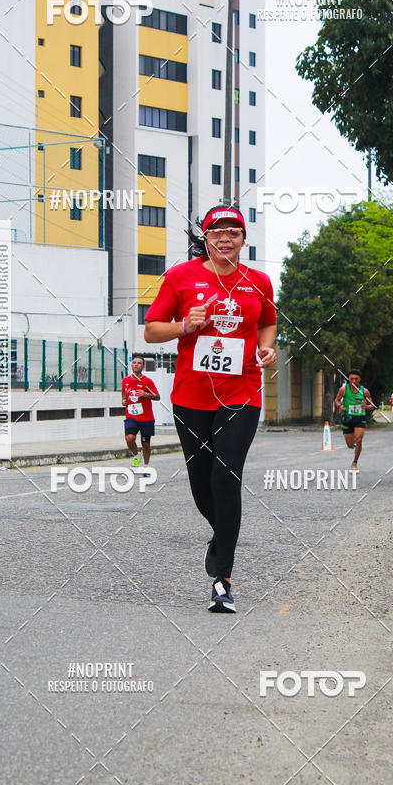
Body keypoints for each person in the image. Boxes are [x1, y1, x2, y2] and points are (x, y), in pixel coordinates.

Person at [144, 204, 276, 614]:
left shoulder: (259, 282)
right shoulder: (181, 277)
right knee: (201, 483)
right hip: (191, 395)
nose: (225, 238)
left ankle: (223, 579)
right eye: (216, 232)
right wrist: (185, 325)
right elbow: (151, 330)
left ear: (243, 240)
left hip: (242, 391)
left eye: (233, 232)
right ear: (205, 237)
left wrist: (265, 348)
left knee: (226, 477)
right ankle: (220, 537)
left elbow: (267, 322)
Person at [121, 355, 160, 467]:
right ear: (131, 365)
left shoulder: (147, 381)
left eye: (139, 363)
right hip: (131, 416)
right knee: (129, 438)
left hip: (146, 418)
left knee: (146, 444)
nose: (136, 364)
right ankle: (136, 455)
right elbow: (124, 393)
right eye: (134, 362)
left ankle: (146, 466)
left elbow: (157, 396)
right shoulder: (125, 380)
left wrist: (146, 394)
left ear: (143, 366)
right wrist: (123, 400)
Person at [334, 370, 376, 471]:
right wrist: (340, 406)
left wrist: (366, 406)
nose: (353, 381)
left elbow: (372, 405)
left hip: (359, 418)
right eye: (351, 379)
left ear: (359, 380)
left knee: (359, 440)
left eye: (356, 379)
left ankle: (355, 462)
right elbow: (336, 400)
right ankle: (353, 444)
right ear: (348, 379)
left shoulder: (364, 391)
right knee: (349, 445)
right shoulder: (343, 390)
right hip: (347, 418)